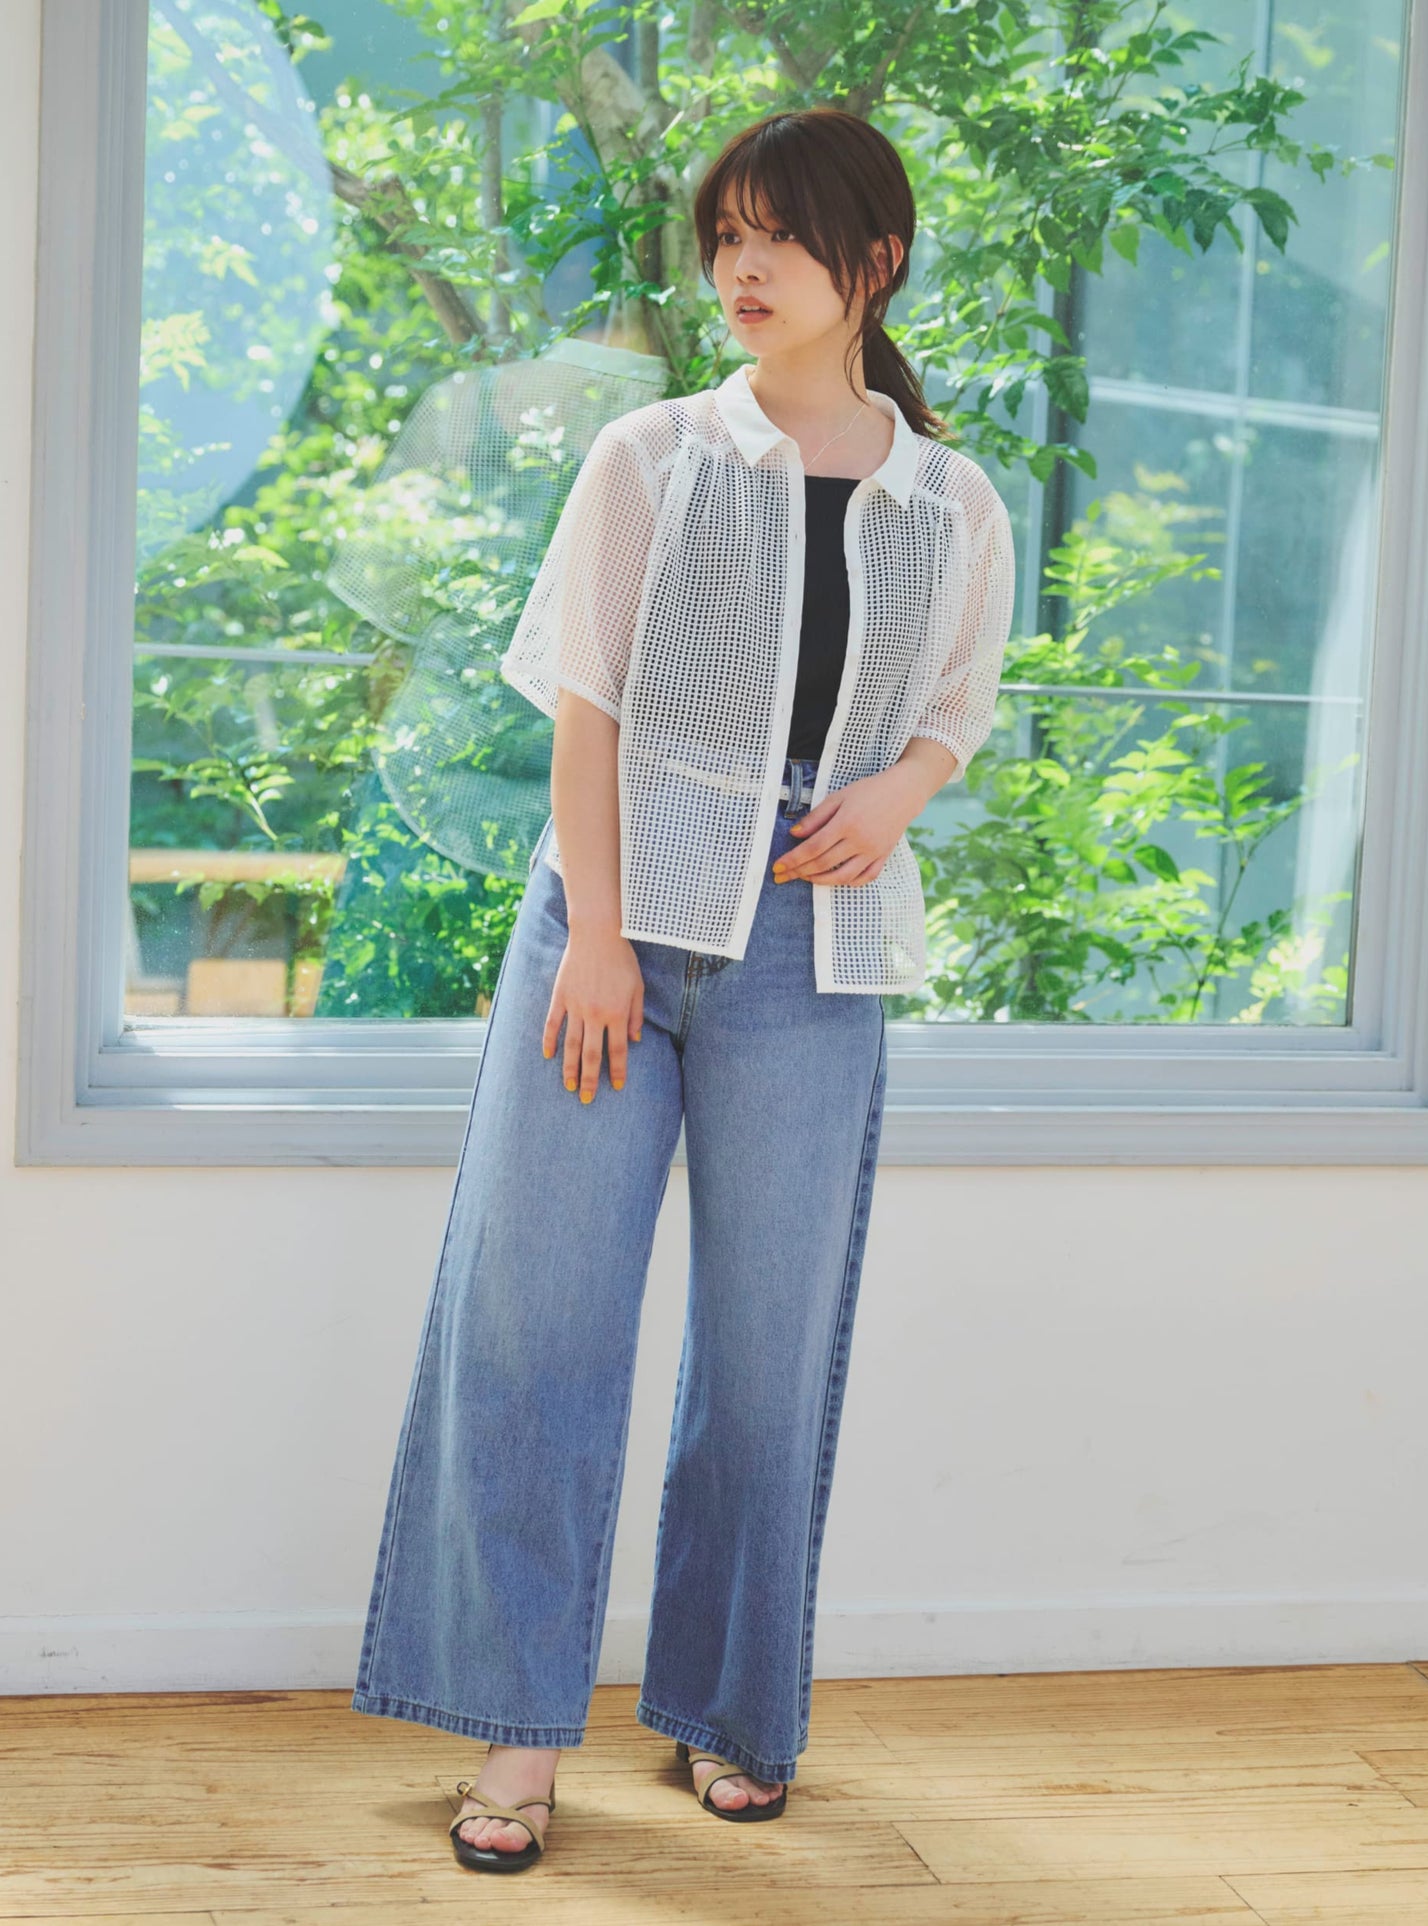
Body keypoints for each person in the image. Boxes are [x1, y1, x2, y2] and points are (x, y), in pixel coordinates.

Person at [350, 103, 1016, 1874]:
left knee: (764, 1354)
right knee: (534, 1328)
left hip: (815, 945)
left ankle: (729, 1707)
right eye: (725, 234)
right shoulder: (651, 457)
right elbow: (585, 706)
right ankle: (513, 1729)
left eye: (777, 236)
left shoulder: (949, 499)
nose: (742, 266)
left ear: (873, 260)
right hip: (611, 931)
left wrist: (898, 793)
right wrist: (596, 933)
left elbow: (956, 707)